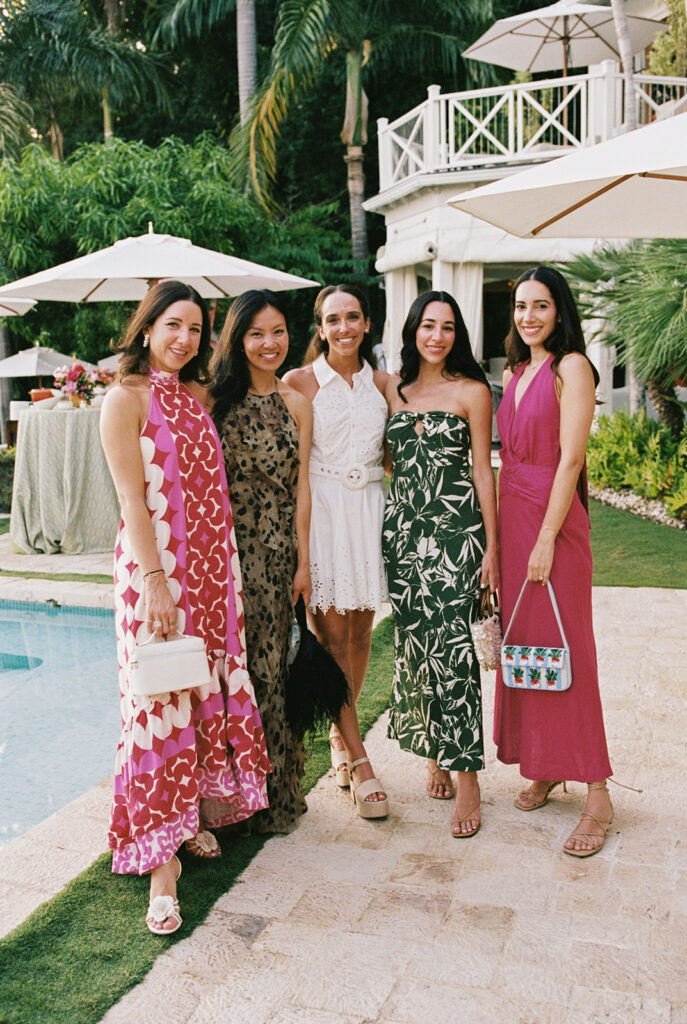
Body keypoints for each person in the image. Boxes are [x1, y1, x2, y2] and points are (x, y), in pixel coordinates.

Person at [100, 280, 270, 935]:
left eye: (196, 329)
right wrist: (156, 582)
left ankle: (191, 815)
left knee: (201, 697)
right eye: (173, 325)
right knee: (158, 704)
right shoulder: (124, 399)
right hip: (157, 574)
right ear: (147, 328)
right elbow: (132, 500)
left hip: (211, 574)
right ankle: (160, 867)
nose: (184, 339)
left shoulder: (195, 397)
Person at [494, 265, 613, 858]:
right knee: (531, 647)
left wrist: (545, 537)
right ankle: (545, 764)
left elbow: (570, 461)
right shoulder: (517, 371)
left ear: (560, 311)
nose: (529, 316)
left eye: (540, 306)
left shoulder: (573, 367)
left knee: (572, 650)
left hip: (552, 527)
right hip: (514, 525)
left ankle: (597, 793)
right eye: (520, 306)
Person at [383, 291, 498, 838]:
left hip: (456, 535)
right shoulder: (394, 390)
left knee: (454, 650)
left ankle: (468, 774)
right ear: (412, 330)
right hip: (404, 536)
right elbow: (390, 461)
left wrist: (492, 548)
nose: (437, 335)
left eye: (447, 327)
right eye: (427, 325)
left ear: (458, 334)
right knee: (416, 646)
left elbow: (482, 469)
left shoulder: (473, 391)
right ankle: (433, 750)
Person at [283, 284, 389, 818]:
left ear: (366, 323)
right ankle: (360, 757)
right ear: (320, 329)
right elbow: (291, 467)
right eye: (333, 320)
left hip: (369, 511)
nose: (344, 328)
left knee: (362, 630)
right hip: (321, 512)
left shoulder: (386, 385)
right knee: (329, 637)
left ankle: (341, 740)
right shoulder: (298, 382)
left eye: (353, 317)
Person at [210, 290, 312, 834]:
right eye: (256, 333)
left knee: (270, 671)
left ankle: (272, 798)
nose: (269, 343)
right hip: (221, 555)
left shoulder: (297, 402)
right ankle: (223, 800)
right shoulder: (213, 400)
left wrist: (304, 562)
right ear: (237, 339)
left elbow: (303, 489)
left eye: (277, 332)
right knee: (227, 675)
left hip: (275, 557)